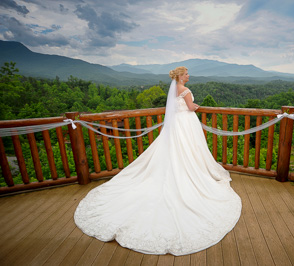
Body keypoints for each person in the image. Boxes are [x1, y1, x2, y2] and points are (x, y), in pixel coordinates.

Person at [74, 66, 242, 256]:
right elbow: (190, 107)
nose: (188, 75)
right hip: (186, 124)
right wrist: (196, 106)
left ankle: (179, 170)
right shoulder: (184, 90)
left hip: (176, 125)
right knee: (189, 150)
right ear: (180, 76)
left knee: (176, 150)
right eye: (186, 73)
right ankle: (190, 173)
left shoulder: (174, 90)